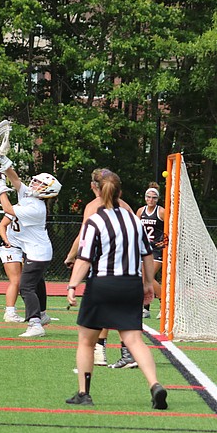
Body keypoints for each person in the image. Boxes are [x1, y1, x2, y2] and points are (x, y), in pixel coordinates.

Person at [65, 169, 167, 409]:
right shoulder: (135, 220)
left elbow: (85, 258)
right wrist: (147, 283)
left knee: (86, 341)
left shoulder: (95, 220)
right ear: (121, 192)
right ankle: (154, 385)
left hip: (102, 284)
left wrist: (72, 285)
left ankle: (84, 392)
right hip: (131, 283)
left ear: (96, 190)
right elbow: (147, 254)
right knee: (134, 340)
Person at [64, 168, 136, 369]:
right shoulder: (125, 206)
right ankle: (127, 352)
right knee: (122, 310)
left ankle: (99, 351)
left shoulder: (93, 206)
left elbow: (83, 238)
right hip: (127, 266)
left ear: (94, 186)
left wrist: (71, 257)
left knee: (100, 309)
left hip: (103, 265)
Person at [0, 154, 61, 338]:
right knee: (37, 282)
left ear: (46, 191)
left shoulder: (37, 208)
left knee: (26, 287)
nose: (34, 184)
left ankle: (35, 323)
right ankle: (43, 314)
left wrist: (1, 190)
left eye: (39, 184)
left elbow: (8, 209)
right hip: (35, 250)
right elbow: (15, 179)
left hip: (38, 252)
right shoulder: (29, 196)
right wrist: (5, 162)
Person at [136, 182, 166, 318]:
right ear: (145, 198)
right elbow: (135, 229)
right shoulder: (141, 211)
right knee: (143, 278)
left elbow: (170, 228)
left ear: (157, 199)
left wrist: (165, 240)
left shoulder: (161, 212)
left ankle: (164, 304)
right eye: (148, 197)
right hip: (144, 248)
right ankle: (146, 308)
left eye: (154, 197)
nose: (151, 200)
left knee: (148, 276)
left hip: (156, 250)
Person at [0, 213, 24, 323]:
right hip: (11, 248)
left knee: (24, 281)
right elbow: (1, 225)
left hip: (23, 248)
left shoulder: (32, 209)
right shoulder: (15, 209)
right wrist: (6, 240)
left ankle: (36, 312)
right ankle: (10, 312)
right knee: (15, 281)